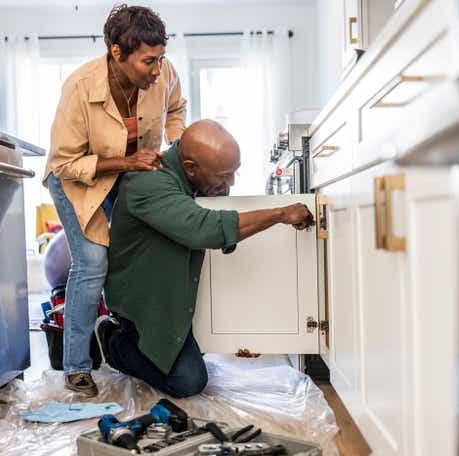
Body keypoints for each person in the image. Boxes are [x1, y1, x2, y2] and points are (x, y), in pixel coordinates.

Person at [94, 120, 314, 398]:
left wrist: (248, 329)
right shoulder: (147, 179)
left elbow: (231, 257)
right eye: (224, 175)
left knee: (191, 360)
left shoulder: (205, 183)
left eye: (234, 173)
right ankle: (114, 342)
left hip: (182, 289)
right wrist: (279, 214)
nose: (230, 183)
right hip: (148, 305)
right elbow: (205, 230)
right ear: (190, 167)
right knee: (188, 381)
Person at [43, 4, 186, 396]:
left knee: (136, 253)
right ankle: (76, 366)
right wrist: (126, 161)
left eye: (160, 59)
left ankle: (127, 344)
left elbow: (176, 107)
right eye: (148, 62)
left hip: (130, 173)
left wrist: (176, 143)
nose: (156, 70)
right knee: (91, 264)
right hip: (79, 179)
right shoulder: (79, 87)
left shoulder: (164, 73)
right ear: (116, 52)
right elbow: (65, 163)